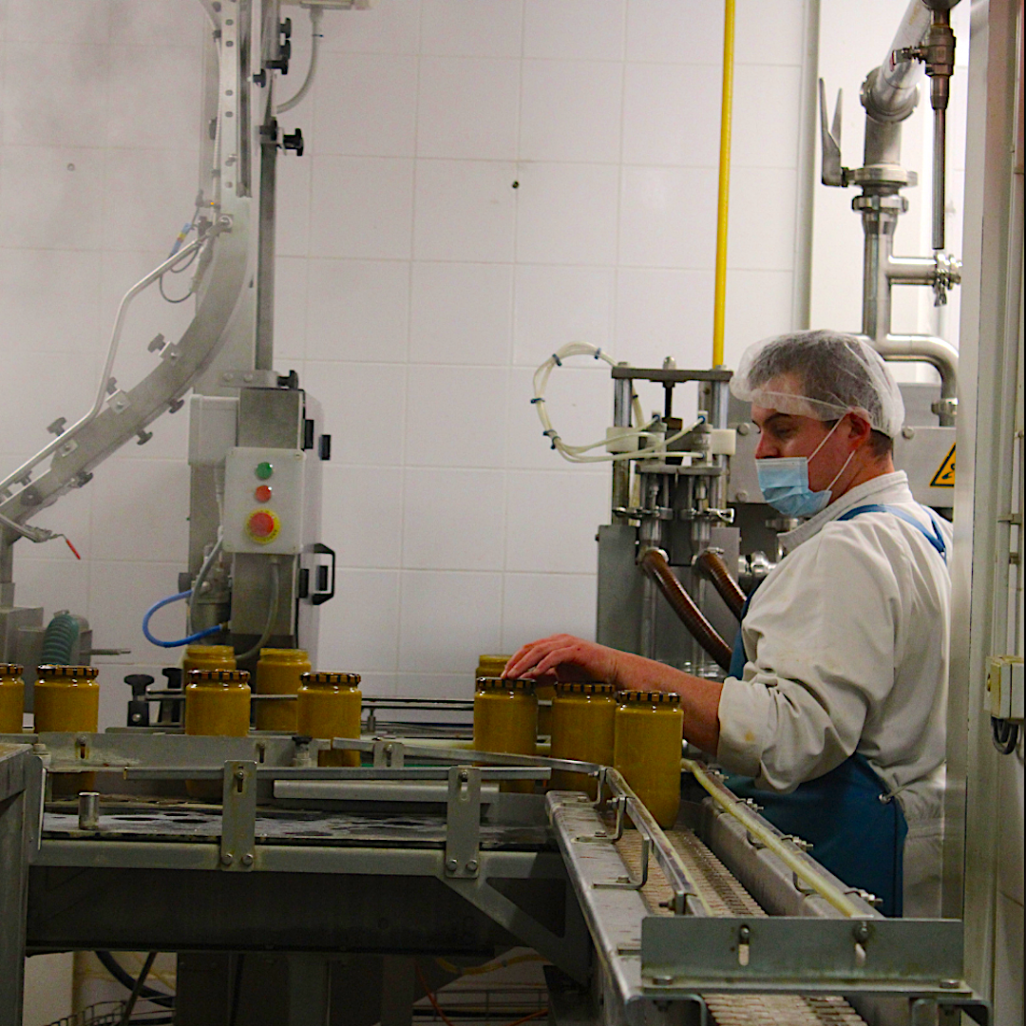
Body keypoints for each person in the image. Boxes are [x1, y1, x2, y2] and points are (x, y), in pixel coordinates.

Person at [504, 330, 951, 917]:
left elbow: (787, 736)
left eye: (783, 429)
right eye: (760, 427)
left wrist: (615, 667)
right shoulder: (922, 531)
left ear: (854, 429)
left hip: (851, 865)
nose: (761, 450)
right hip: (893, 855)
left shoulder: (850, 550)